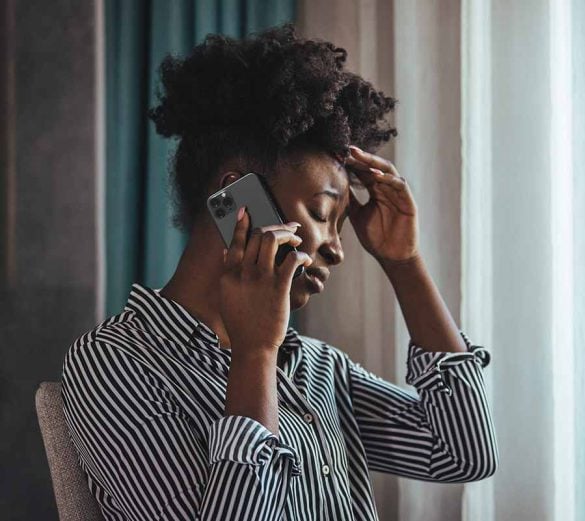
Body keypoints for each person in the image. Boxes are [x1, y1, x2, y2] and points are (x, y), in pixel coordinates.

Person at [61, 25, 497, 520]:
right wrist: (255, 355)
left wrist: (405, 263)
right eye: (319, 211)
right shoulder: (116, 362)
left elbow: (463, 451)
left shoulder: (317, 368)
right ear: (237, 200)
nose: (337, 249)